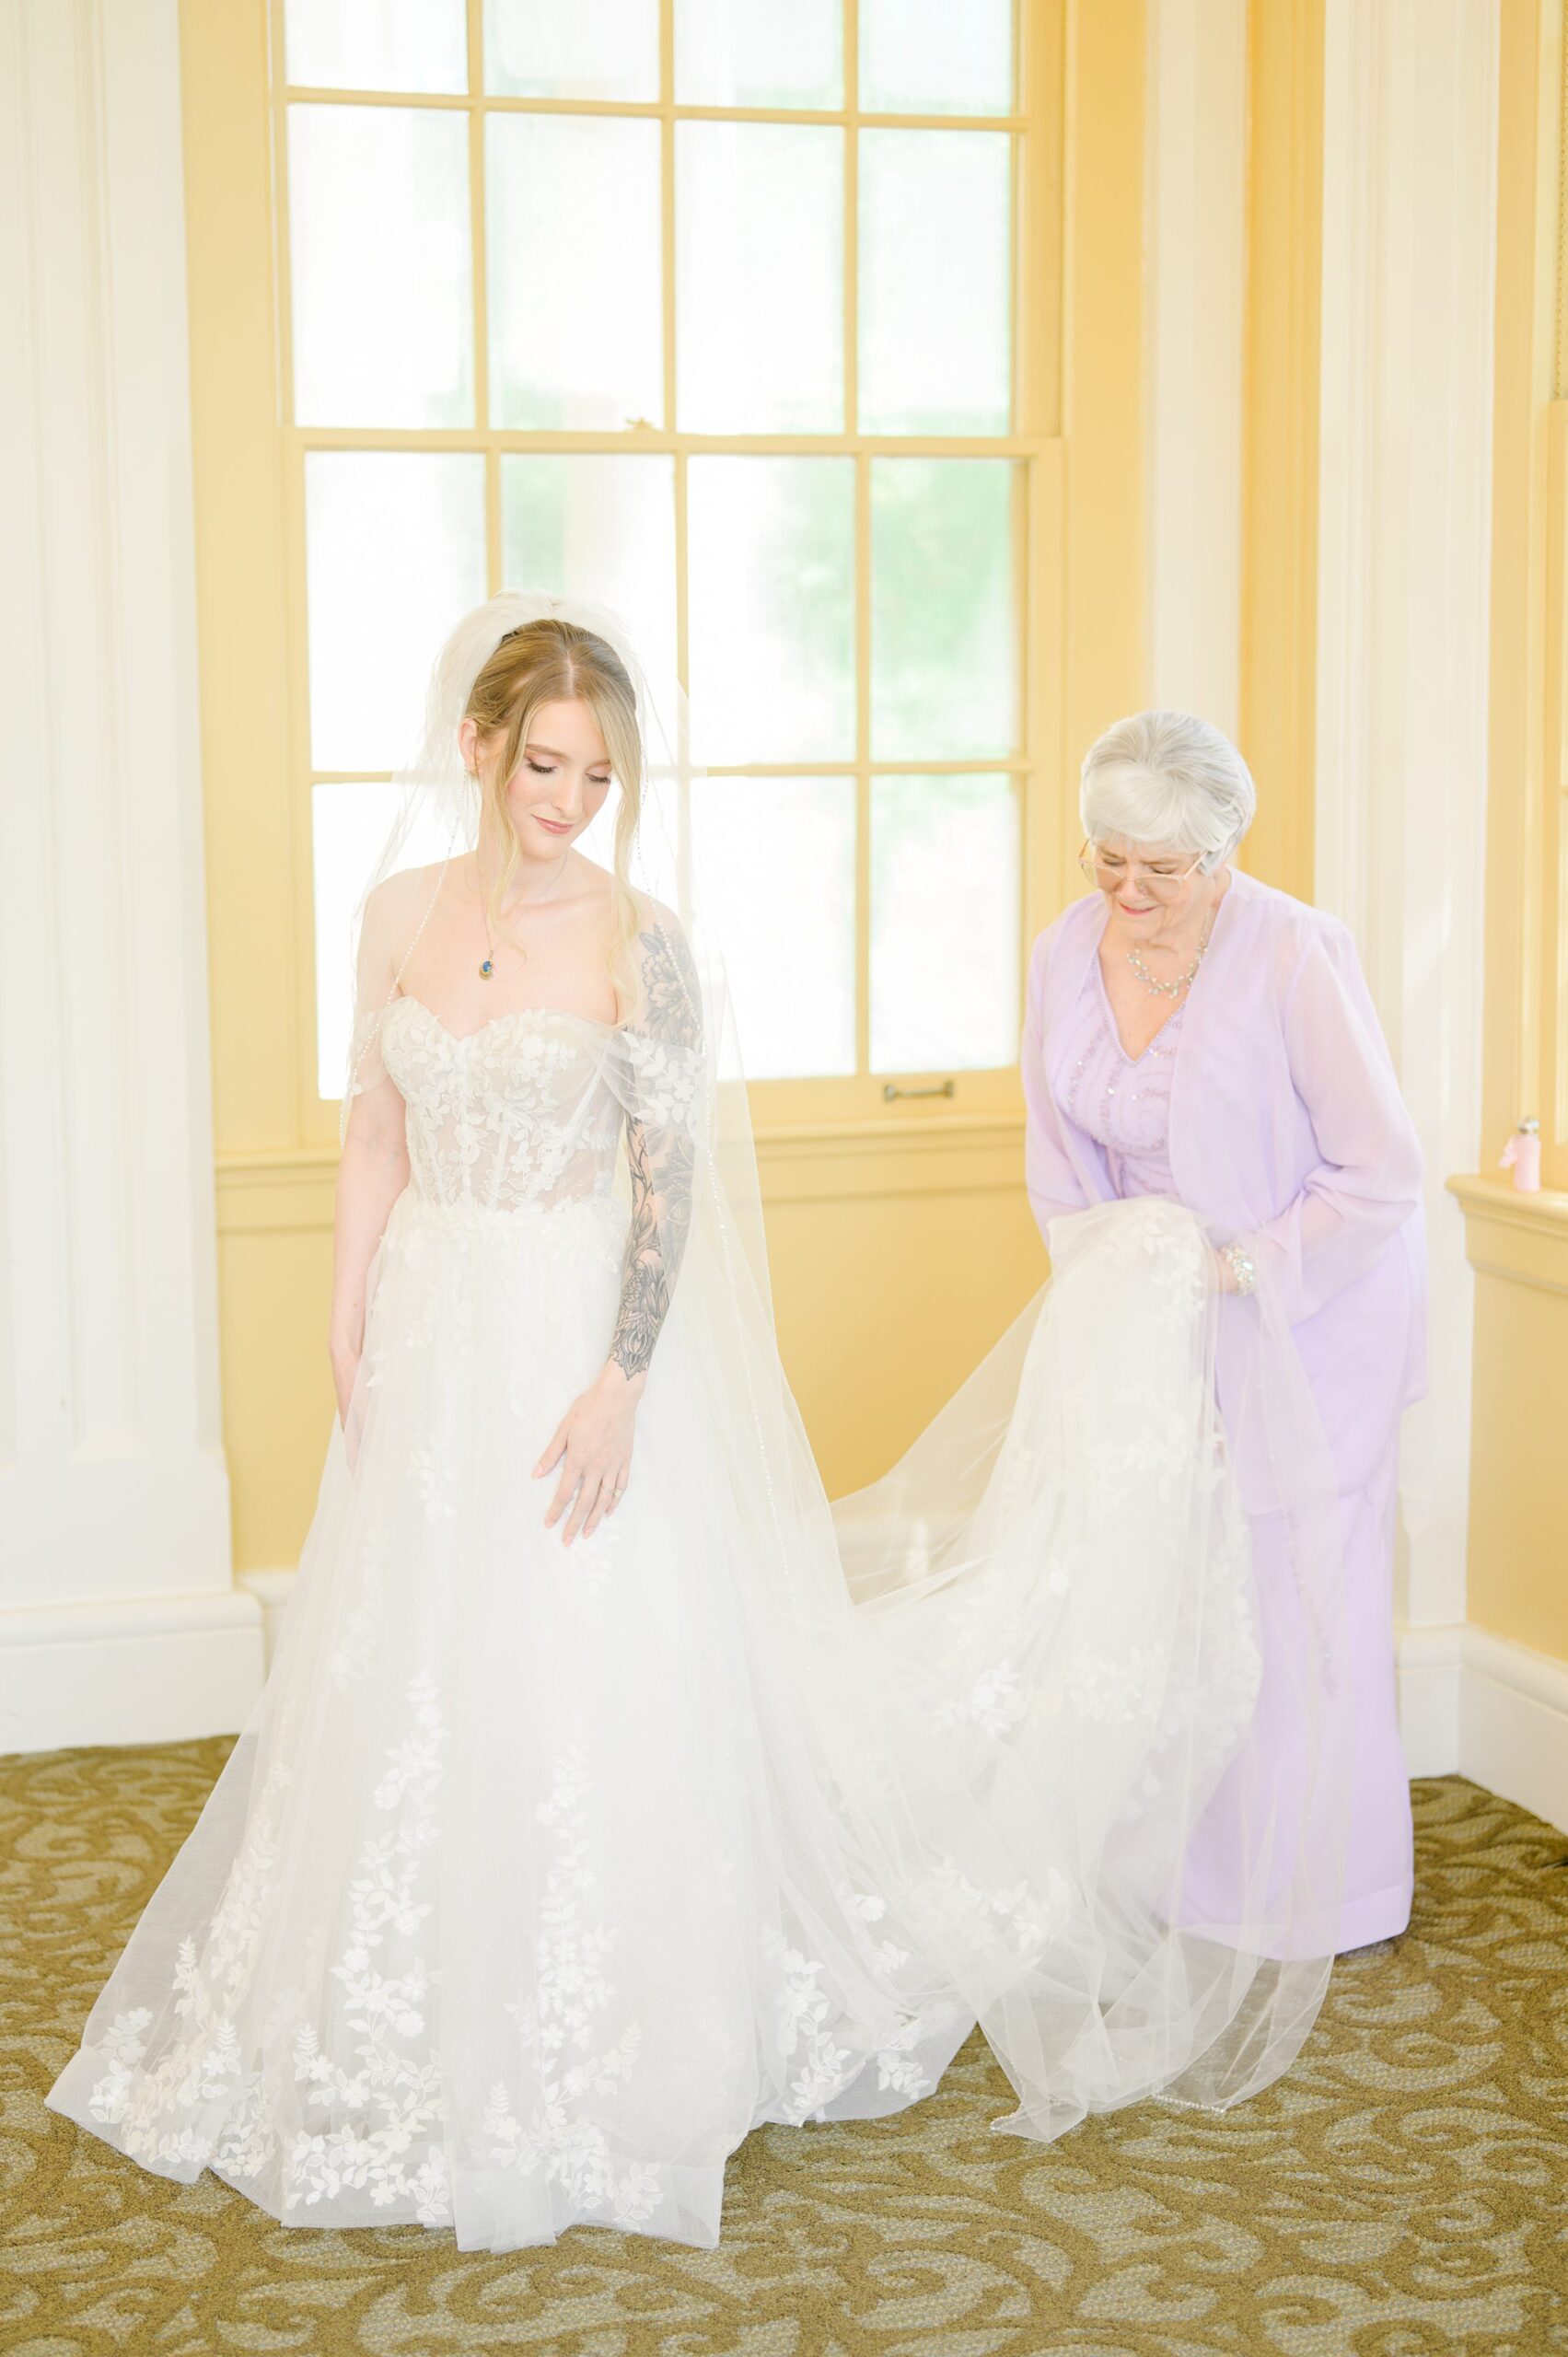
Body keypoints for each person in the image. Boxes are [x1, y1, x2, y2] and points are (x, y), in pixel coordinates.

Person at [45, 600, 1345, 2254]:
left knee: (588, 1657)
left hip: (576, 1335)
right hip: (434, 1332)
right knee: (416, 1663)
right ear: (479, 747)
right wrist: (345, 1304)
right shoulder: (387, 917)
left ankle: (611, 2018)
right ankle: (419, 1994)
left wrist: (621, 1379)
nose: (569, 798)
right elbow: (376, 1127)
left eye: (596, 772)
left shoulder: (639, 940)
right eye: (544, 765)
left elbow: (665, 1188)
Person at [1022, 710, 1425, 1953]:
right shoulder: (1060, 954)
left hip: (1306, 1317)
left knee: (1293, 1600)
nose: (1128, 890)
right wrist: (1120, 1287)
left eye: (1162, 865)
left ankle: (1320, 1892)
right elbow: (1056, 1160)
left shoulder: (1298, 954)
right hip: (1147, 1314)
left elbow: (1382, 1174)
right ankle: (1183, 1875)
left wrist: (1239, 1269)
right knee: (1169, 1587)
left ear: (1224, 851)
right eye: (1107, 857)